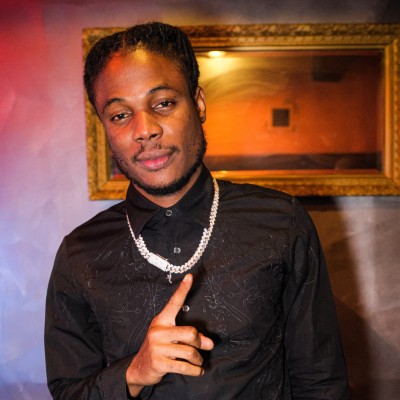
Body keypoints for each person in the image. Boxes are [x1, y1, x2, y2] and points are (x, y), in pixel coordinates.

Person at [44, 22, 349, 399]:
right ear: (105, 128)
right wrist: (133, 374)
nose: (145, 130)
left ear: (198, 103)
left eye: (163, 103)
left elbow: (321, 381)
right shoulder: (80, 255)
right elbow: (69, 392)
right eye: (121, 115)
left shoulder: (281, 222)